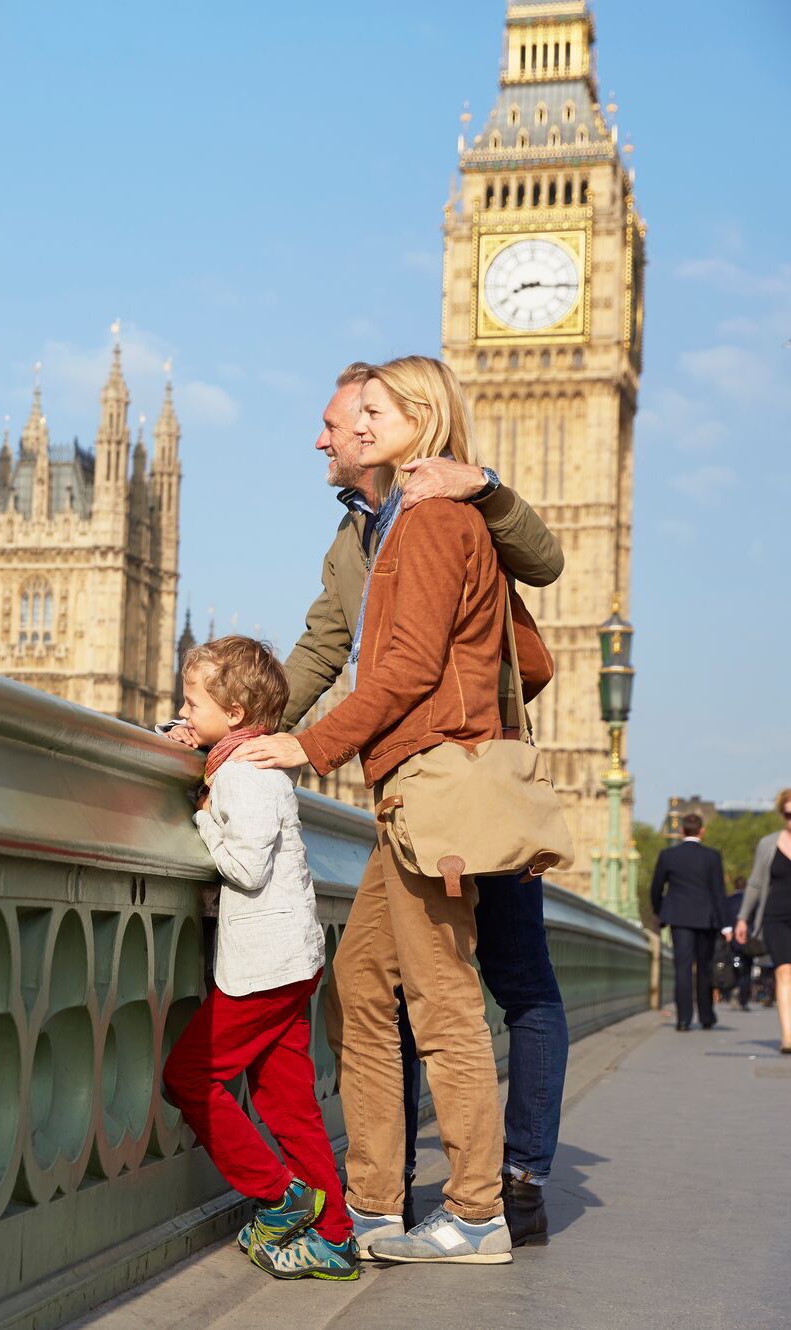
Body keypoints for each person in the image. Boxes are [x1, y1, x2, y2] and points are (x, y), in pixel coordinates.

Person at [241, 355, 551, 1266]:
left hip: (440, 779)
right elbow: (324, 647)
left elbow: (409, 666)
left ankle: (478, 1211)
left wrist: (308, 747)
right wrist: (243, 722)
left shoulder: (437, 519)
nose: (340, 430)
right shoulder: (374, 533)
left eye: (370, 410)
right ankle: (375, 1201)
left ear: (420, 421)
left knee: (451, 1004)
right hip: (406, 792)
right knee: (363, 987)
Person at [160, 636, 360, 1281]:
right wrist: (191, 747)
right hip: (292, 957)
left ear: (238, 715)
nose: (183, 711)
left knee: (189, 1080)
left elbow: (244, 866)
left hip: (263, 967)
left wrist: (201, 818)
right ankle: (334, 1236)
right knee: (289, 1104)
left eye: (193, 702)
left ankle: (280, 1195)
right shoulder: (241, 762)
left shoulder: (246, 776)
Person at [649, 813, 730, 1032]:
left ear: (682, 831)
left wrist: (660, 911)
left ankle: (683, 1019)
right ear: (702, 831)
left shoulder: (668, 855)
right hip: (706, 919)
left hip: (679, 918)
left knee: (682, 969)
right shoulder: (712, 857)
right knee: (704, 968)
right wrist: (726, 924)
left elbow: (656, 888)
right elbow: (718, 893)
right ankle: (706, 1016)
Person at [735, 788, 791, 1053]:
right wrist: (742, 918)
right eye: (789, 814)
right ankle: (787, 1037)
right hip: (776, 916)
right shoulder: (768, 844)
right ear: (782, 814)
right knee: (784, 971)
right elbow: (755, 884)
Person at [723, 871, 753, 1012]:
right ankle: (744, 999)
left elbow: (724, 918)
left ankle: (733, 989)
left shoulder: (728, 900)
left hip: (732, 939)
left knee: (733, 966)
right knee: (747, 970)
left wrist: (726, 931)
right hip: (748, 940)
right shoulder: (752, 901)